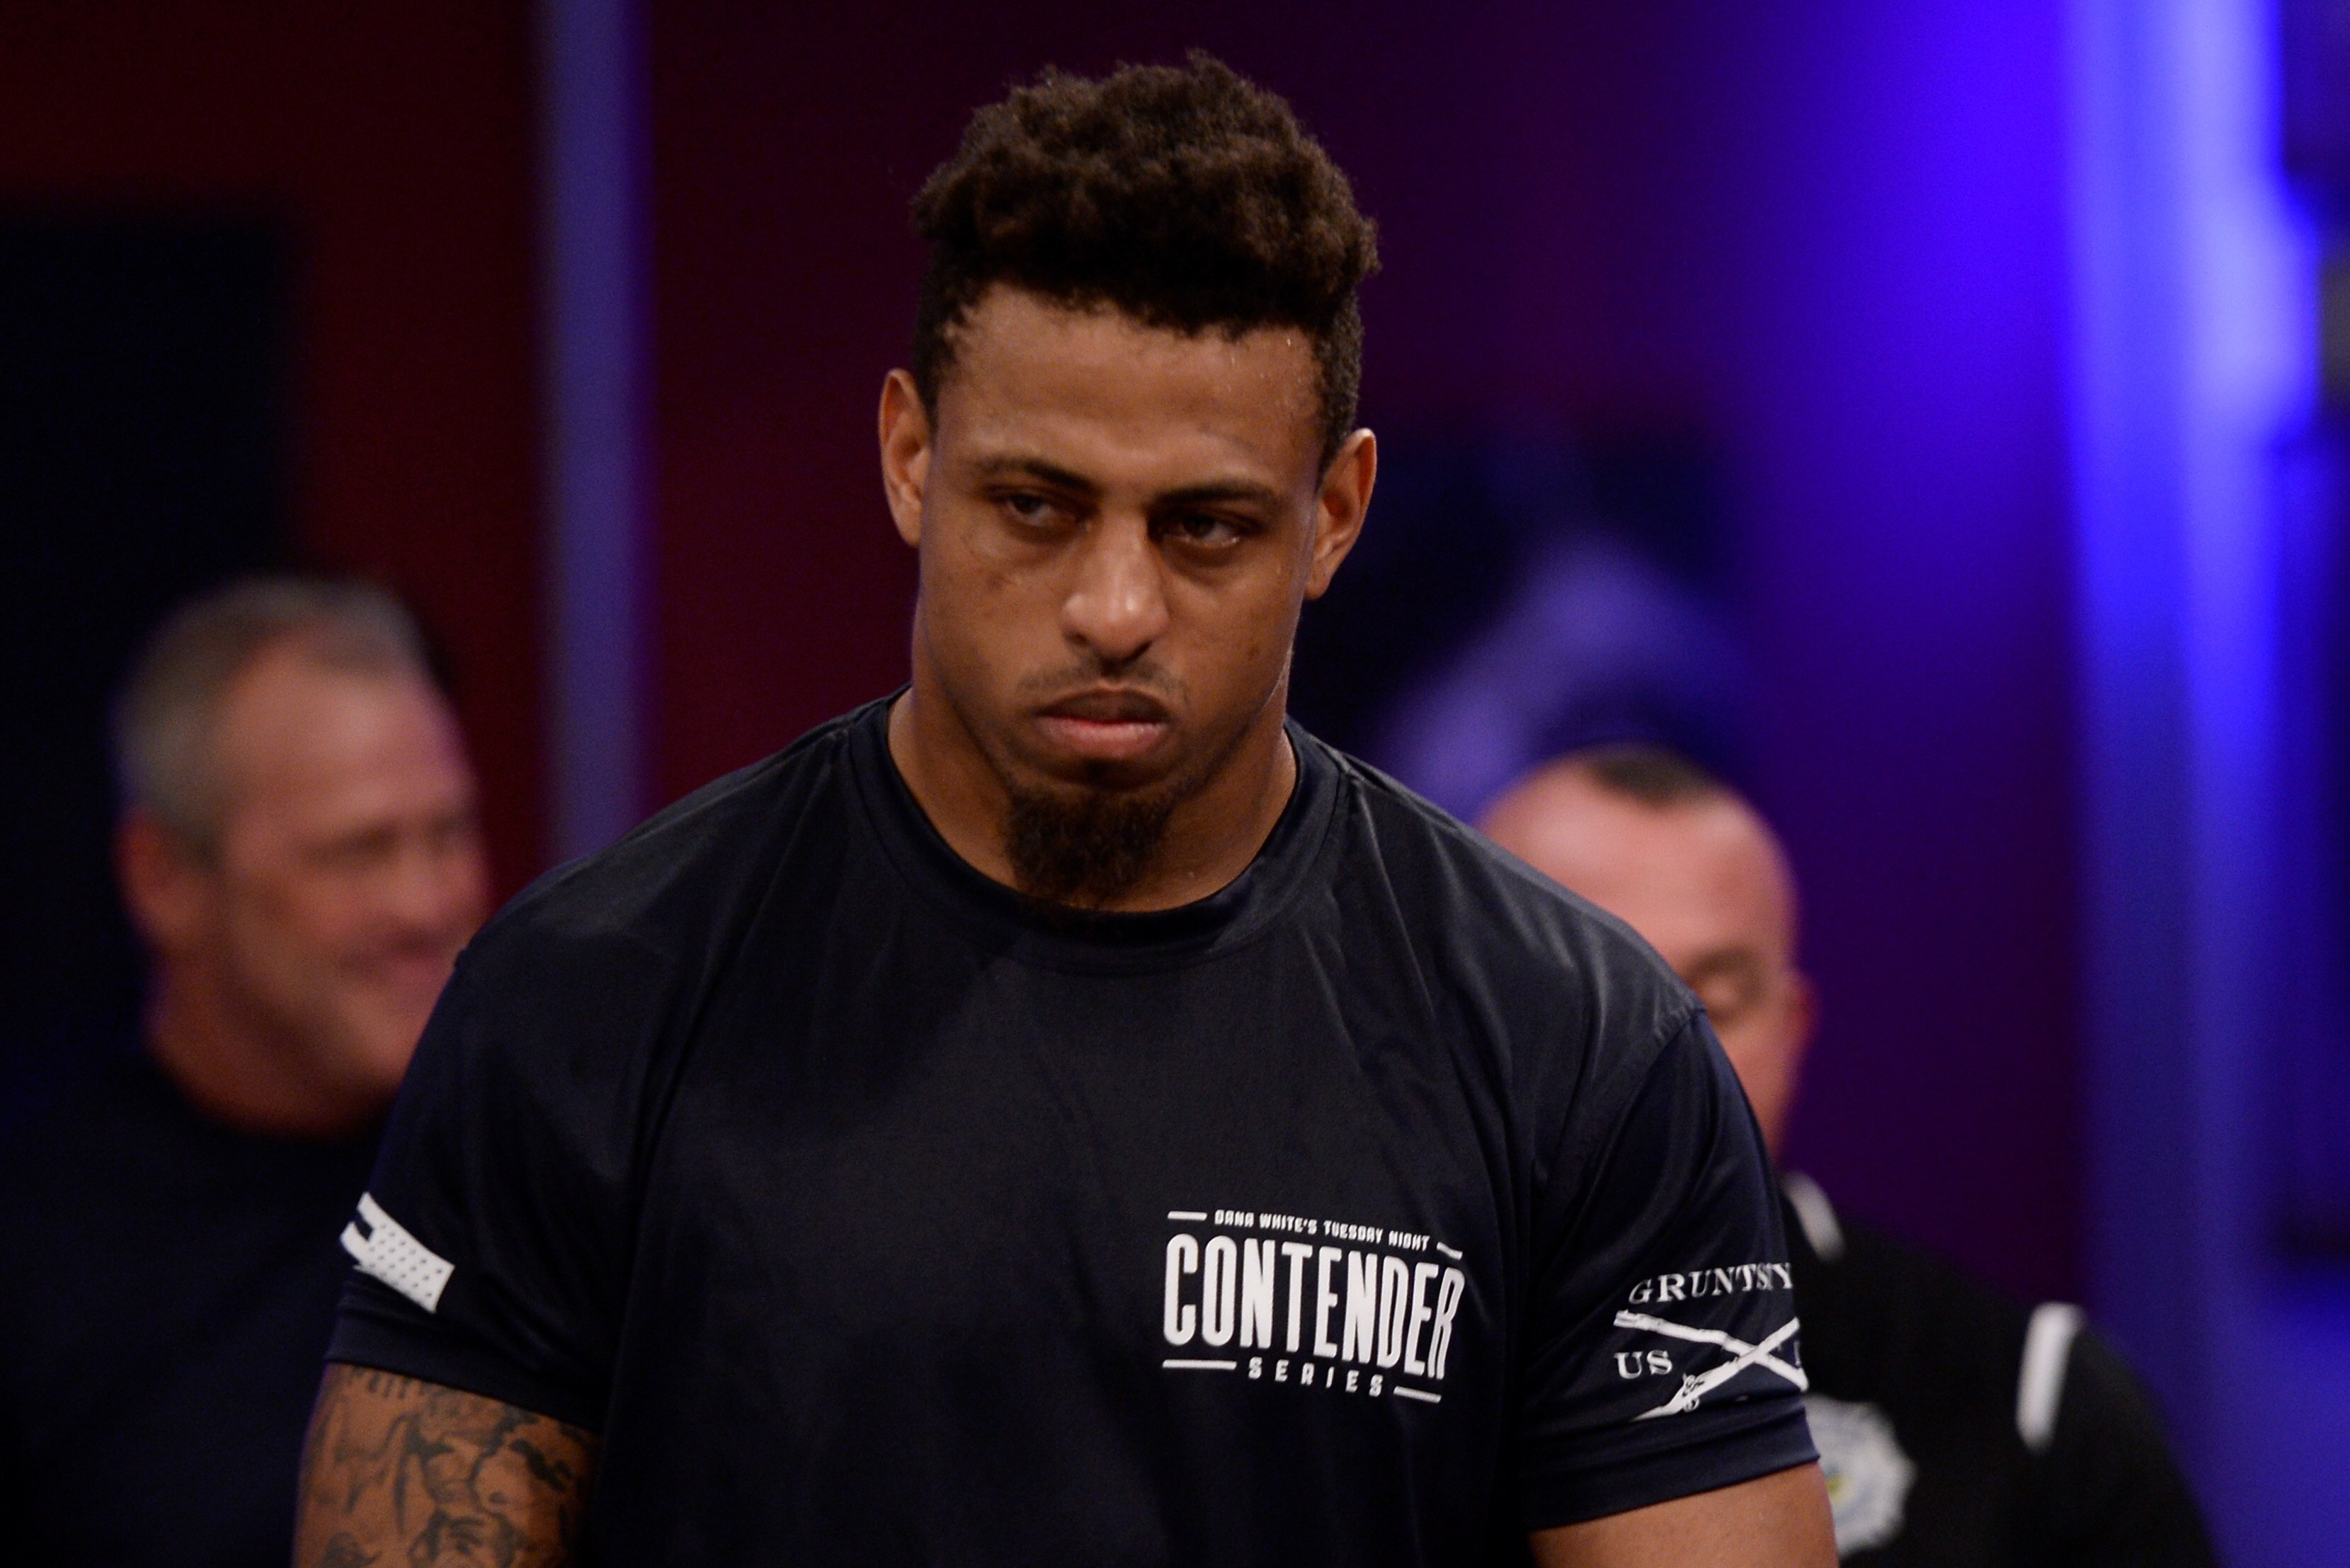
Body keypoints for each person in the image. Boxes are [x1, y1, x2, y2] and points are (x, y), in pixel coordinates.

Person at [294, 58, 1834, 1567]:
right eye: (1035, 506)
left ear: (1337, 515)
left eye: (1206, 527)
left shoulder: (1582, 1051)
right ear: (910, 457)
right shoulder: (591, 995)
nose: (1113, 605)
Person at [1480, 744, 2218, 1565]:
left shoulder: (2024, 1395)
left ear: (1792, 1032)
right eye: (1581, 997)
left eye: (1710, 1005)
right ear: (1448, 1010)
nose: (1656, 1061)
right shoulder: (1333, 1349)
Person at [0, 578, 491, 1567]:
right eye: (358, 850)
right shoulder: (41, 1256)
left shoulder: (544, 1179)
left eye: (447, 833)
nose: (424, 904)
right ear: (165, 879)